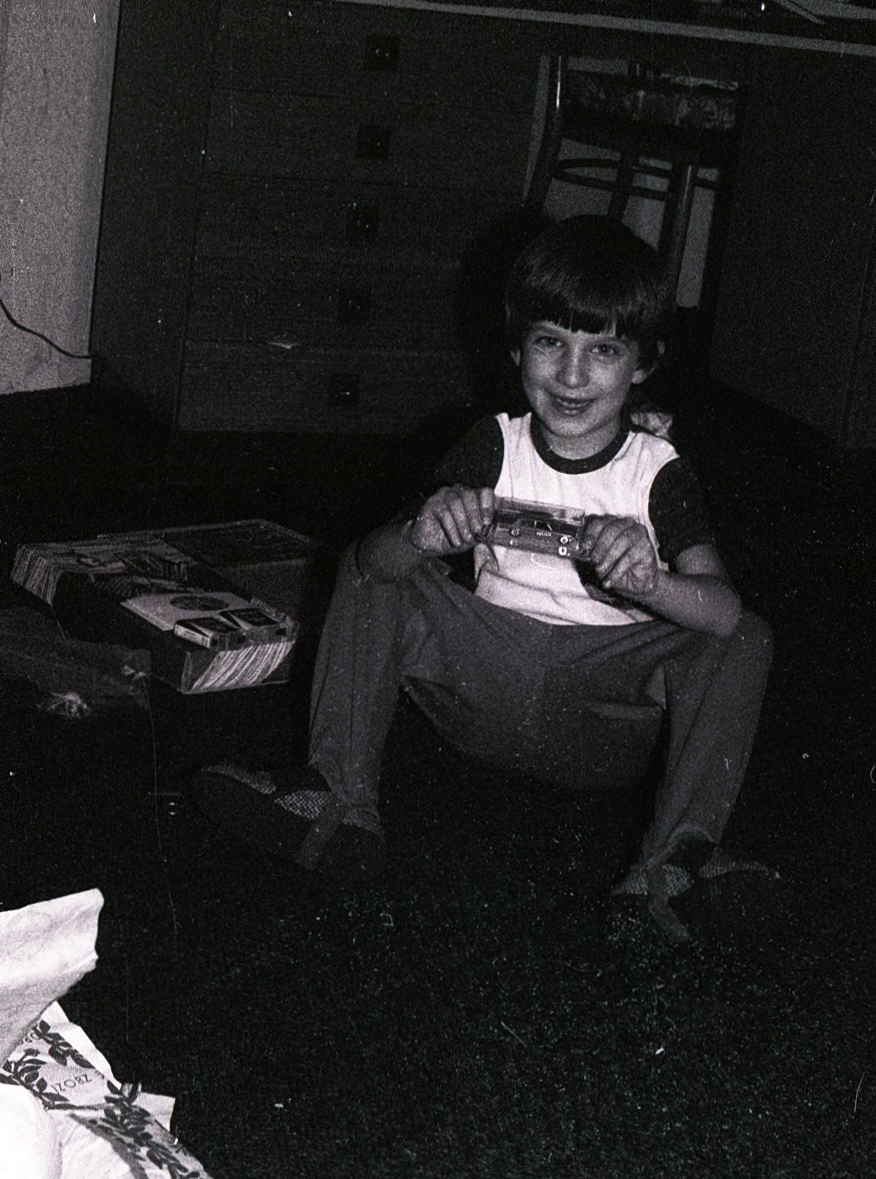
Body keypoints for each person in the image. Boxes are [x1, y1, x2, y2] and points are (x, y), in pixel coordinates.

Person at [194, 215, 772, 936]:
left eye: (603, 351)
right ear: (515, 346)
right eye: (549, 342)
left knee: (743, 637)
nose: (570, 374)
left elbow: (724, 615)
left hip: (601, 714)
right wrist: (424, 532)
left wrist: (651, 582)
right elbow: (375, 569)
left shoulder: (658, 473)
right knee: (374, 560)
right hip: (482, 682)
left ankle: (672, 869)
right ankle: (336, 802)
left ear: (643, 364)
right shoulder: (492, 443)